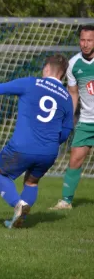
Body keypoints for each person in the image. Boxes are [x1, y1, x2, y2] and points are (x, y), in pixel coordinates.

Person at [0, 54, 73, 228]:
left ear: (46, 68)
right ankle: (18, 219)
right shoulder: (67, 98)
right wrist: (48, 143)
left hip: (23, 146)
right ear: (63, 75)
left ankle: (17, 204)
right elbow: (66, 131)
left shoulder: (31, 83)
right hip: (49, 152)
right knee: (31, 182)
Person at [50, 25, 94, 210]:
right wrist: (68, 118)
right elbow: (73, 93)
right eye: (82, 40)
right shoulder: (74, 64)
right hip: (85, 120)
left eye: (89, 40)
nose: (85, 44)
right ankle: (66, 201)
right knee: (75, 159)